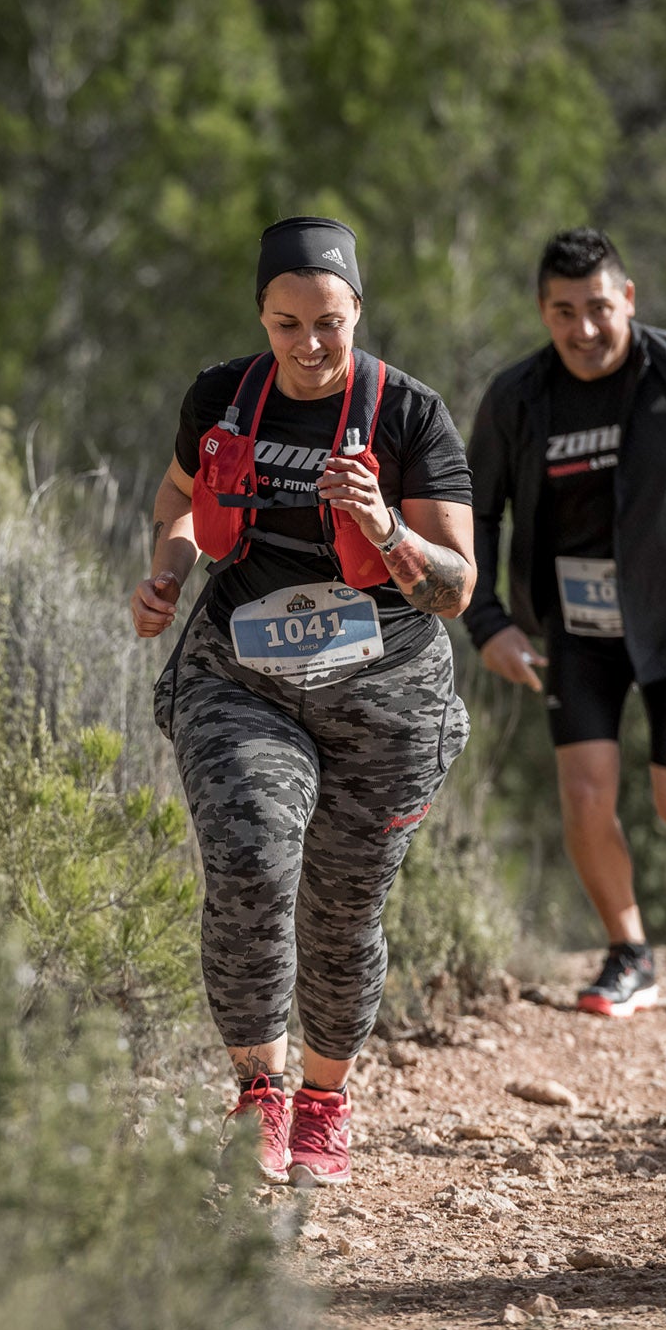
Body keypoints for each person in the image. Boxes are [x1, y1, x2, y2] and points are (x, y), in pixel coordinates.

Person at [130, 216, 476, 1186]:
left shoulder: (407, 416)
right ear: (261, 319)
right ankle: (259, 1097)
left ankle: (323, 1101)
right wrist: (165, 570)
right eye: (286, 325)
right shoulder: (221, 399)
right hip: (242, 676)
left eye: (327, 322)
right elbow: (177, 505)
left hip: (384, 691)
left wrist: (382, 526)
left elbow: (456, 590)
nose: (309, 345)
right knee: (246, 860)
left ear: (356, 309)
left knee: (341, 905)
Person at [464, 228, 666, 1018]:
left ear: (630, 300)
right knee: (585, 794)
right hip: (573, 627)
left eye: (599, 308)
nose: (583, 328)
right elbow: (476, 510)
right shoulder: (518, 398)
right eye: (563, 311)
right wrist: (488, 623)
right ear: (543, 312)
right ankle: (630, 952)